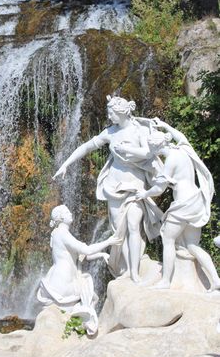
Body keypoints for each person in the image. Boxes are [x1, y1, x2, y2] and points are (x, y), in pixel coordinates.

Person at [53, 95, 163, 282]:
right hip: (112, 185)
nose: (109, 117)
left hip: (134, 184)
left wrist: (127, 151)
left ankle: (135, 273)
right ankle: (127, 269)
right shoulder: (110, 132)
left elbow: (148, 152)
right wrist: (65, 164)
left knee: (133, 225)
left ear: (121, 112)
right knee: (119, 231)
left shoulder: (139, 131)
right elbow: (87, 147)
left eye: (111, 113)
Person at [131, 121, 219, 290]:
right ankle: (215, 280)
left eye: (152, 149)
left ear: (156, 148)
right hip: (196, 200)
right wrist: (163, 124)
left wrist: (144, 194)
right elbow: (181, 136)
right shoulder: (183, 150)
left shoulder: (170, 160)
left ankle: (165, 281)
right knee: (193, 245)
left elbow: (159, 189)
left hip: (183, 205)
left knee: (168, 238)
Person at [37, 205, 123, 335]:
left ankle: (77, 326)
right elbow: (86, 250)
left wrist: (102, 255)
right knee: (90, 298)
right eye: (67, 212)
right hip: (63, 281)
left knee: (91, 297)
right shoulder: (62, 233)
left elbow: (83, 256)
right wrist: (109, 241)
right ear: (60, 217)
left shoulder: (57, 233)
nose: (70, 213)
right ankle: (80, 327)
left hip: (61, 277)